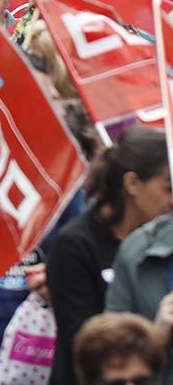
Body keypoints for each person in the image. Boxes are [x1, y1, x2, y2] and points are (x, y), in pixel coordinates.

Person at [48, 128, 171, 385]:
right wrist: (156, 333)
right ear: (133, 184)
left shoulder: (161, 243)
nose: (172, 201)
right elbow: (82, 348)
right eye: (168, 189)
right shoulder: (75, 245)